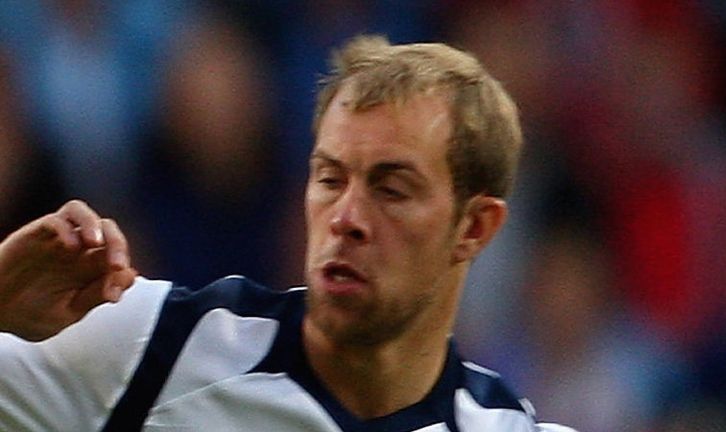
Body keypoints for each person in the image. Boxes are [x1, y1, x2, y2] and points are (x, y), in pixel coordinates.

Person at [0, 35, 575, 431]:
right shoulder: (152, 349)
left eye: (391, 189)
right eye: (330, 179)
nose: (346, 218)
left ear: (474, 226)